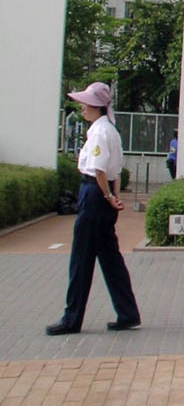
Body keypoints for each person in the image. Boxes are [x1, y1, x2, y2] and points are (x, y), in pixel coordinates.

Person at [47, 81, 141, 336]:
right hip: (104, 195)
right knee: (111, 259)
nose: (82, 107)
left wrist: (109, 196)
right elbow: (115, 171)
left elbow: (99, 170)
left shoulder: (99, 132)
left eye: (85, 103)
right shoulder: (111, 130)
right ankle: (127, 312)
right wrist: (114, 195)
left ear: (96, 106)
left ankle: (72, 319)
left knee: (82, 259)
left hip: (94, 194)